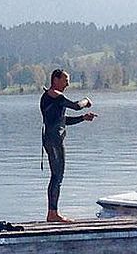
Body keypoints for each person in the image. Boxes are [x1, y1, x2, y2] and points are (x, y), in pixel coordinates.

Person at [39, 69, 97, 222]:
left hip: (50, 139)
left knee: (56, 176)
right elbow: (77, 105)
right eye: (65, 80)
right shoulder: (55, 95)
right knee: (57, 176)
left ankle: (52, 212)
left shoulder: (51, 98)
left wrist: (83, 118)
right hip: (55, 141)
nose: (68, 84)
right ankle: (52, 214)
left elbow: (63, 121)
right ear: (55, 80)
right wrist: (86, 100)